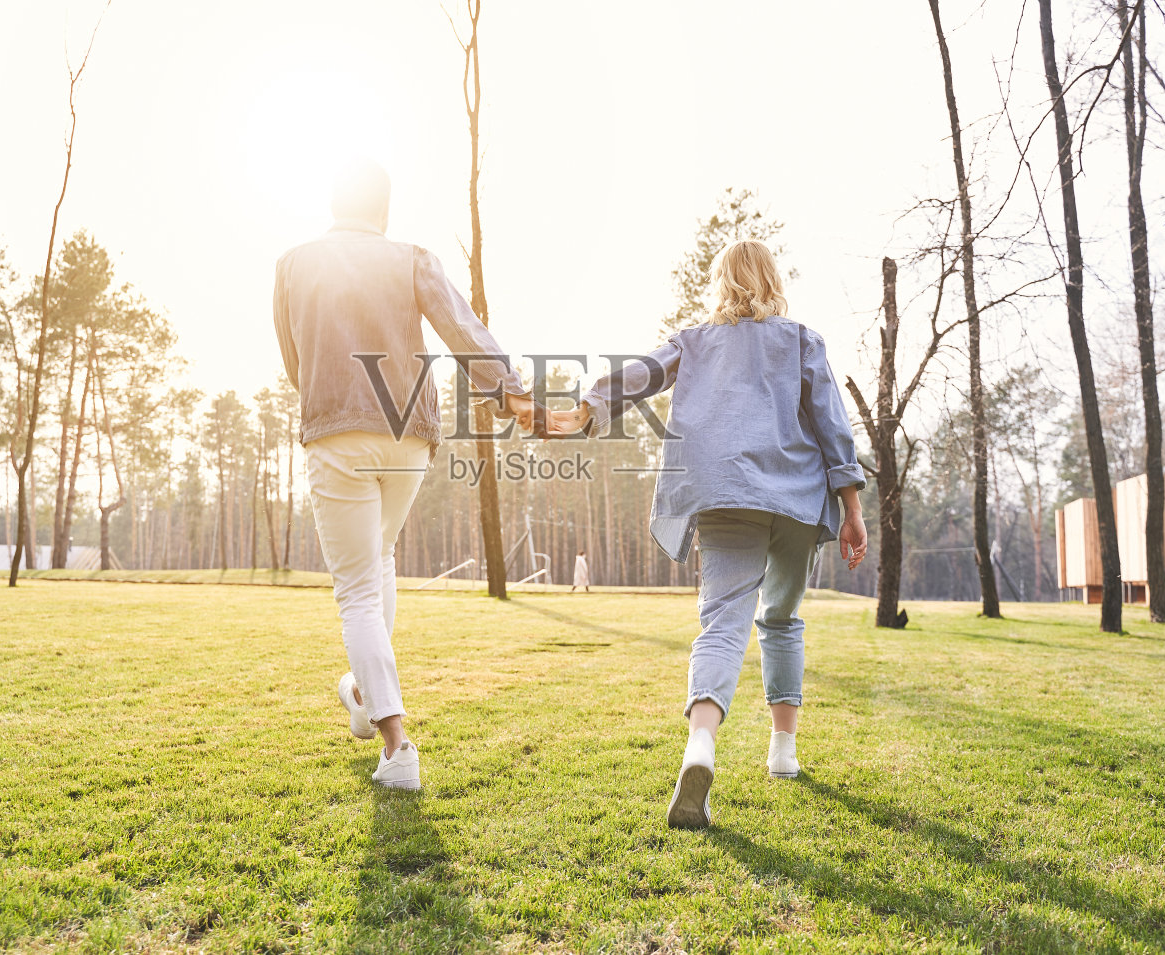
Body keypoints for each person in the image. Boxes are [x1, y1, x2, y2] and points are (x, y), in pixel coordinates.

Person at [548, 238, 866, 829]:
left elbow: (641, 374)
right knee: (781, 617)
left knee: (722, 622)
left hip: (724, 492)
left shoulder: (693, 341)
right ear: (773, 280)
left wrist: (588, 406)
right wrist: (851, 505)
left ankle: (701, 743)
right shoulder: (801, 339)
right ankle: (783, 751)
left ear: (722, 282)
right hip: (796, 497)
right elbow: (831, 422)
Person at [274, 158, 536, 792]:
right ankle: (364, 692)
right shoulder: (412, 258)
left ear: (332, 204)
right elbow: (462, 330)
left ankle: (397, 747)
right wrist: (511, 392)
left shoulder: (292, 264)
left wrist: (327, 397)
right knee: (381, 558)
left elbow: (293, 359)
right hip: (408, 439)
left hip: (337, 431)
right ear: (384, 210)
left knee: (358, 592)